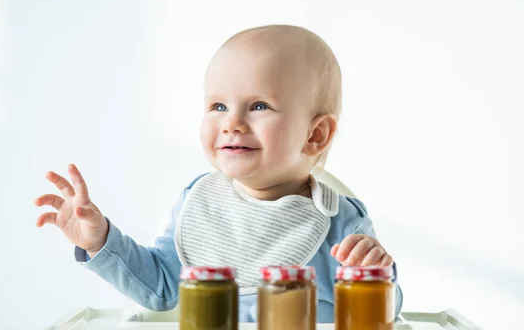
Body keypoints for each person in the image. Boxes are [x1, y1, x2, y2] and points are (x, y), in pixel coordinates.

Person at [35, 24, 403, 322]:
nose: (231, 123)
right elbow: (160, 287)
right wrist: (100, 241)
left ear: (315, 134)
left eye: (259, 106)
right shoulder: (200, 201)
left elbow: (382, 314)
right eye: (218, 105)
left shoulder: (340, 222)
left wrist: (375, 275)